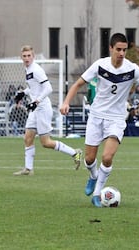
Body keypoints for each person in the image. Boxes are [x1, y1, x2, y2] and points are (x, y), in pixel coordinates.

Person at [60, 33, 139, 207]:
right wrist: (66, 102)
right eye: (118, 49)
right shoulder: (100, 66)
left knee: (107, 157)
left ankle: (97, 194)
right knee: (89, 159)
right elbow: (78, 84)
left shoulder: (132, 69)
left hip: (116, 118)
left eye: (124, 50)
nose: (122, 53)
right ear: (110, 48)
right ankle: (93, 176)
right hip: (96, 116)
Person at [13, 45, 82, 175]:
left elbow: (48, 88)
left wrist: (37, 101)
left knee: (46, 142)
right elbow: (34, 88)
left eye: (29, 56)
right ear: (21, 57)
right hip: (36, 108)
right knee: (28, 138)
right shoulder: (27, 69)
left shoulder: (36, 70)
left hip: (42, 108)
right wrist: (23, 93)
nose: (27, 58)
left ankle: (75, 153)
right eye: (24, 56)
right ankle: (28, 169)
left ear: (33, 56)